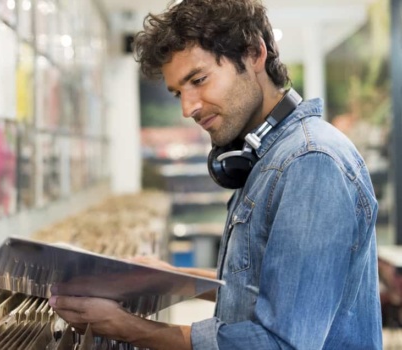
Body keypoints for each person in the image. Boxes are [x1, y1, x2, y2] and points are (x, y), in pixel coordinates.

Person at [49, 0, 383, 348]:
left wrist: (128, 328)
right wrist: (167, 278)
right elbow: (260, 288)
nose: (187, 107)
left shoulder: (311, 163)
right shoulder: (268, 156)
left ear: (254, 53)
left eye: (199, 79)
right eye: (179, 91)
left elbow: (279, 344)